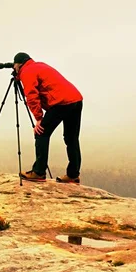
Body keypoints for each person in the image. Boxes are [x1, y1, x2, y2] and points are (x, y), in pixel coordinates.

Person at [12, 52, 83, 184]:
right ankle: (73, 175)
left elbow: (31, 95)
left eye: (15, 66)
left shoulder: (27, 71)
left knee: (41, 133)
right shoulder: (38, 65)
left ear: (18, 65)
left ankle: (38, 172)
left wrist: (39, 119)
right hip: (76, 99)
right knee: (71, 138)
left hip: (61, 102)